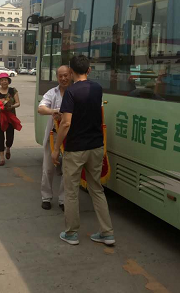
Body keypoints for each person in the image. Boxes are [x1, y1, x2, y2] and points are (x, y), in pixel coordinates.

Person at [52, 55, 115, 246]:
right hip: (96, 147)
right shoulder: (97, 88)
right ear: (89, 70)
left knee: (71, 192)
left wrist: (56, 148)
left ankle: (71, 233)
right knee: (97, 189)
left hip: (76, 149)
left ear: (71, 71)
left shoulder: (71, 92)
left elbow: (66, 123)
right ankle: (107, 233)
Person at [38, 65, 71, 211]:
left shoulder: (75, 92)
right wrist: (53, 111)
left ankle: (63, 199)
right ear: (57, 77)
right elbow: (41, 108)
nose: (63, 78)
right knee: (48, 168)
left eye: (66, 75)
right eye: (60, 76)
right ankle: (46, 197)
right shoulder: (52, 92)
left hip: (70, 136)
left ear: (71, 75)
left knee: (67, 170)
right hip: (54, 135)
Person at [0, 73, 20, 166]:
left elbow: (18, 103)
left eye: (6, 80)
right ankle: (2, 157)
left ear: (8, 81)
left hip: (10, 117)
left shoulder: (13, 90)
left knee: (10, 137)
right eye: (2, 80)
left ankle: (8, 148)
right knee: (0, 137)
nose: (4, 81)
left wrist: (12, 106)